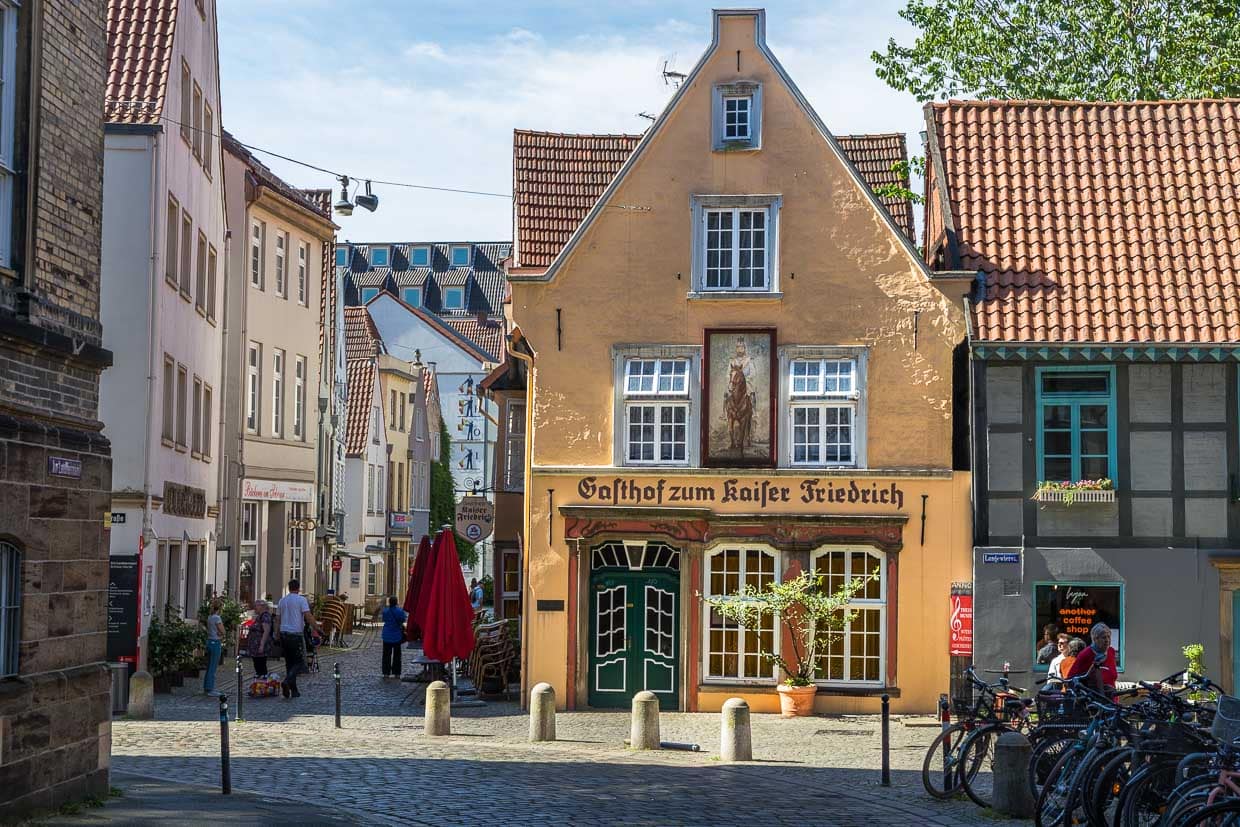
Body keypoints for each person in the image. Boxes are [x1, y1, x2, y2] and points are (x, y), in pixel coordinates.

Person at [276, 579, 321, 699]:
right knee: (300, 662)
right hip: (295, 634)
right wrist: (317, 628)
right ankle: (287, 681)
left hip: (284, 633)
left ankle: (294, 690)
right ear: (298, 588)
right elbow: (308, 616)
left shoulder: (282, 601)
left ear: (289, 588)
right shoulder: (301, 600)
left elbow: (278, 619)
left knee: (289, 663)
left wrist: (276, 633)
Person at [1066, 623, 1119, 692]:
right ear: (1095, 639)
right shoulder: (1085, 654)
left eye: (1109, 637)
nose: (1107, 640)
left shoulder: (1111, 652)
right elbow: (1070, 680)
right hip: (1092, 699)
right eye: (1104, 637)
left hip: (1111, 699)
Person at [381, 596, 408, 678]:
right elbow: (403, 620)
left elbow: (384, 619)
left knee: (386, 655)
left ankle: (386, 673)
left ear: (389, 602)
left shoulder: (385, 611)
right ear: (396, 602)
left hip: (386, 635)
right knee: (397, 655)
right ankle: (397, 673)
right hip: (397, 635)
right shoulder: (400, 611)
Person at [203, 599, 225, 696]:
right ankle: (210, 689)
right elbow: (223, 631)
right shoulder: (217, 618)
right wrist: (222, 634)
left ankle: (206, 687)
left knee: (209, 666)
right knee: (213, 667)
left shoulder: (210, 617)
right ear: (220, 608)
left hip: (209, 641)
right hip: (216, 642)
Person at [247, 598, 273, 677]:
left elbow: (266, 631)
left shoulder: (265, 616)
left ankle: (262, 681)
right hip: (256, 646)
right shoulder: (260, 616)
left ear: (262, 606)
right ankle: (259, 680)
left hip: (260, 645)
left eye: (256, 606)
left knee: (261, 664)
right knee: (257, 664)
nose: (254, 607)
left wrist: (261, 645)